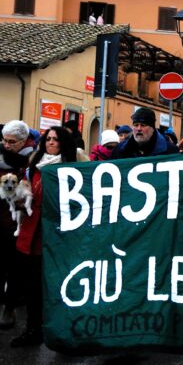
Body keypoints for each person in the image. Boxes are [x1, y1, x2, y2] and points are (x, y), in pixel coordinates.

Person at [12, 126, 87, 347]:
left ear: (64, 143)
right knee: (32, 289)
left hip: (57, 238)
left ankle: (66, 331)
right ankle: (33, 330)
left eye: (55, 139)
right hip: (31, 236)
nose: (50, 143)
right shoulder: (34, 167)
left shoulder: (72, 169)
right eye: (48, 139)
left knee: (61, 289)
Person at [0, 121, 36, 331]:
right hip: (0, 216)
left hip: (19, 222)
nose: (6, 144)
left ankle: (9, 307)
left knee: (15, 267)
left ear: (23, 142)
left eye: (11, 141)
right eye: (4, 140)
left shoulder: (31, 160)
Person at [111, 107, 178, 158]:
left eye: (143, 125)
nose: (139, 129)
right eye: (136, 125)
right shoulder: (120, 150)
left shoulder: (170, 150)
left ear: (152, 128)